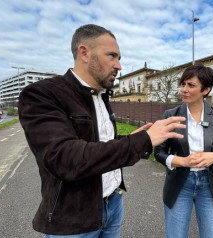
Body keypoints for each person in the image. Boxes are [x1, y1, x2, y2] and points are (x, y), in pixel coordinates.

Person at [18, 24, 186, 237]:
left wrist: (127, 139)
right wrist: (141, 141)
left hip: (113, 205)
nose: (119, 65)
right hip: (73, 219)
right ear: (84, 53)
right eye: (112, 56)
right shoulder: (42, 94)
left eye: (119, 58)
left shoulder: (102, 96)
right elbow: (64, 158)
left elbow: (97, 145)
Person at [154, 62, 213, 238]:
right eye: (183, 84)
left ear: (205, 90)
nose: (184, 89)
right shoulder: (171, 115)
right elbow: (159, 153)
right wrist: (183, 161)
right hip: (179, 183)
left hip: (210, 184)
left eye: (191, 85)